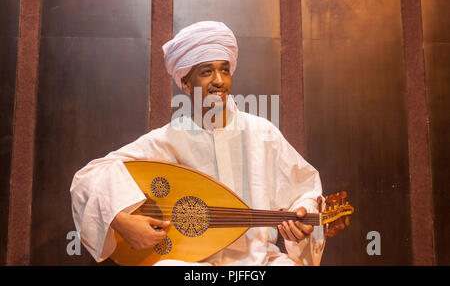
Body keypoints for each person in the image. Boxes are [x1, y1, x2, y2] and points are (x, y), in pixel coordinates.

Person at [70, 21, 336, 266]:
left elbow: (305, 188)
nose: (219, 81)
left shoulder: (261, 132)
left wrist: (304, 215)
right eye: (207, 72)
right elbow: (88, 177)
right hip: (191, 265)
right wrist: (122, 220)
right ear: (186, 83)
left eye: (224, 70)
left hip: (258, 263)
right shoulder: (168, 138)